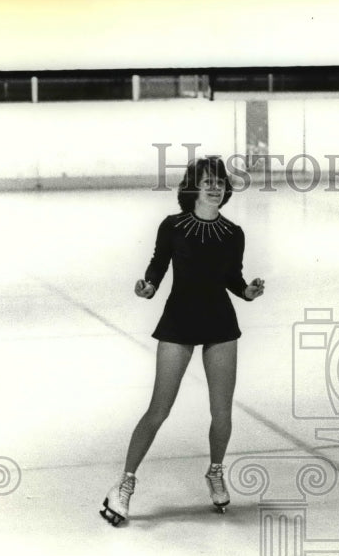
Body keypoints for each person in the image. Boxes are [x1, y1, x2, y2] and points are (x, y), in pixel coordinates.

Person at [101, 156, 265, 525]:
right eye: (206, 181)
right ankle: (124, 484)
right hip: (178, 321)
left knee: (221, 411)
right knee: (159, 409)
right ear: (193, 186)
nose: (214, 186)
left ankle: (215, 471)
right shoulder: (173, 226)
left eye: (219, 181)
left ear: (226, 189)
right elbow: (158, 264)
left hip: (220, 323)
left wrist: (248, 291)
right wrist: (148, 287)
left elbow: (233, 279)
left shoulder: (233, 233)